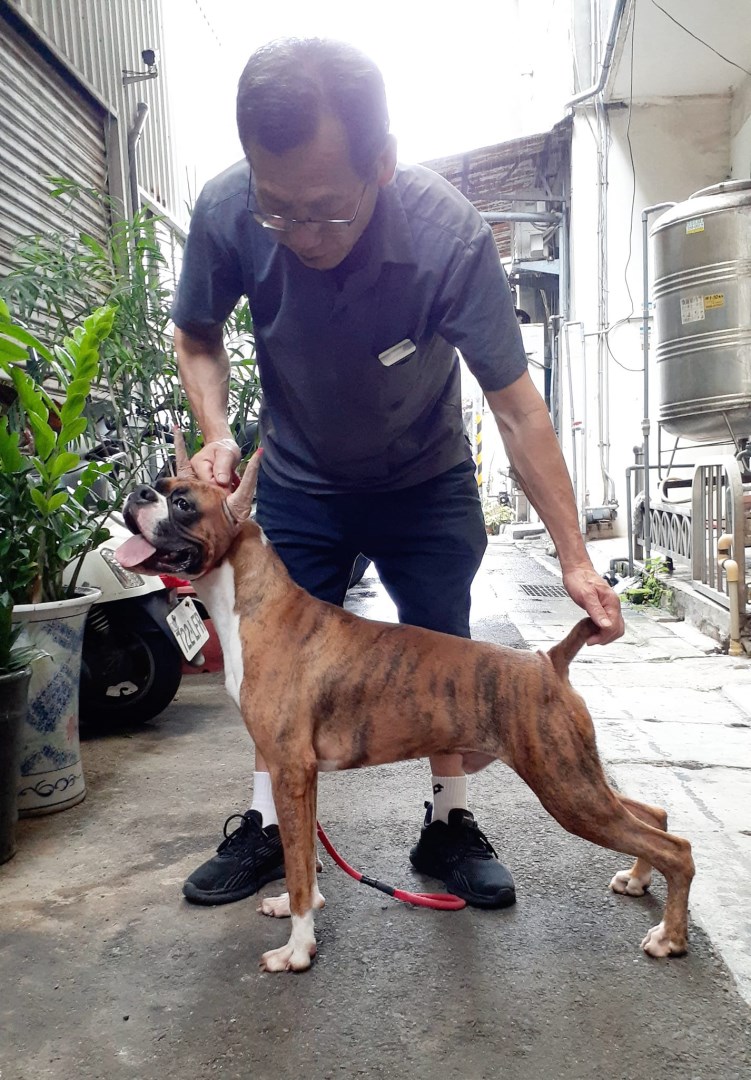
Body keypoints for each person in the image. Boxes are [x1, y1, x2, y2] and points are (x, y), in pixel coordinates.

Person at [171, 37, 624, 911]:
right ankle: (267, 826)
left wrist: (573, 558)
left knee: (442, 651)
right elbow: (196, 335)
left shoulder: (446, 235)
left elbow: (516, 408)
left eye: (325, 211)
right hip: (300, 479)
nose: (303, 235)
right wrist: (216, 432)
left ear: (380, 162)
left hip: (424, 478)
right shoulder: (229, 208)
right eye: (279, 210)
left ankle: (449, 820)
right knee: (274, 661)